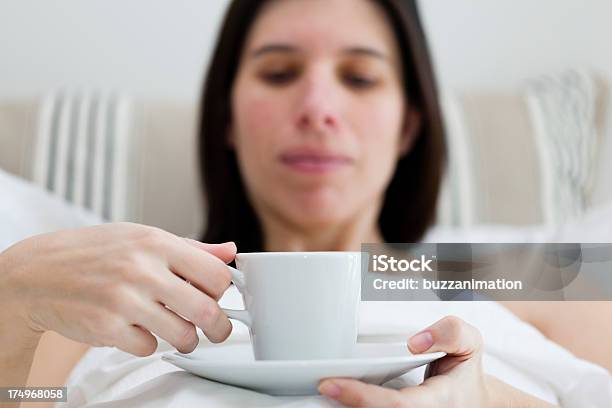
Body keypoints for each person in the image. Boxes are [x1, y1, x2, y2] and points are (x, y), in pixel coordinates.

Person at [0, 0, 609, 407]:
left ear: (408, 126)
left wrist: (491, 400)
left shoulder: (510, 267)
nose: (318, 106)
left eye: (361, 77)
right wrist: (9, 299)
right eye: (279, 72)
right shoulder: (116, 284)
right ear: (229, 120)